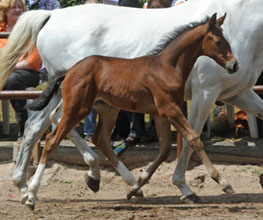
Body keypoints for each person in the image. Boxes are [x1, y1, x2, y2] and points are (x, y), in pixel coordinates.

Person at [0, 0, 42, 142]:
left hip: (27, 72)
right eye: (13, 7)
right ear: (4, 10)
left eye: (20, 7)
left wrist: (11, 66)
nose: (17, 10)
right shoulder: (0, 30)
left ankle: (23, 126)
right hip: (4, 71)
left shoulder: (29, 30)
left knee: (12, 80)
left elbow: (34, 60)